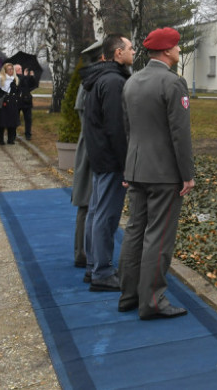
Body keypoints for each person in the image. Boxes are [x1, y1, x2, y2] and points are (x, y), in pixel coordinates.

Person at [118, 27, 194, 320]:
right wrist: (187, 174)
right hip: (163, 173)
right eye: (176, 47)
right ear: (166, 51)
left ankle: (128, 295)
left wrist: (129, 165)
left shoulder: (132, 81)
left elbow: (129, 129)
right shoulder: (173, 83)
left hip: (137, 168)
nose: (179, 51)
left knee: (135, 231)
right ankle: (151, 301)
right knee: (158, 238)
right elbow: (180, 134)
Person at [82, 34, 134, 292]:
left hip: (101, 155)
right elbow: (116, 127)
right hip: (111, 158)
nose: (133, 51)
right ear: (117, 54)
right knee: (106, 214)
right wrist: (127, 164)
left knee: (96, 211)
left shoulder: (100, 78)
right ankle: (102, 271)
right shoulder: (113, 82)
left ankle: (94, 266)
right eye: (130, 48)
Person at [72, 39, 104, 270]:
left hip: (89, 146)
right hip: (92, 148)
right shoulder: (92, 83)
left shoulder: (88, 82)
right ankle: (84, 252)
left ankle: (83, 251)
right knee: (87, 203)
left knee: (88, 203)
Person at [0, 63, 21, 145]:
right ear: (5, 70)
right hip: (4, 102)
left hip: (13, 102)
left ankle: (10, 139)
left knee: (12, 121)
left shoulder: (15, 79)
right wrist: (3, 94)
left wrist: (14, 91)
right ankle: (1, 139)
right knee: (3, 121)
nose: (11, 70)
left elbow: (18, 91)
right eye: (9, 69)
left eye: (12, 69)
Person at [12, 64, 39, 140]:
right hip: (17, 101)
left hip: (26, 100)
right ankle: (13, 134)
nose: (20, 70)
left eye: (21, 68)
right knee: (15, 118)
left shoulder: (25, 77)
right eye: (19, 69)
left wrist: (31, 76)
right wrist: (25, 76)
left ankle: (28, 134)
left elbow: (32, 85)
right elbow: (19, 84)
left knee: (28, 119)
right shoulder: (14, 77)